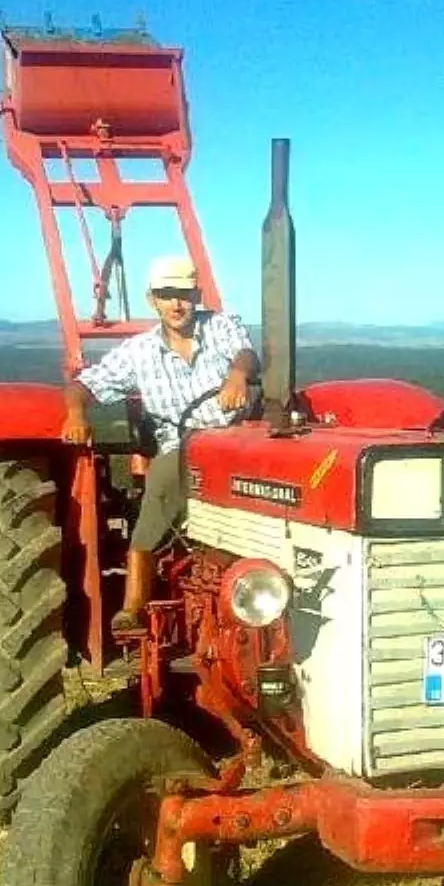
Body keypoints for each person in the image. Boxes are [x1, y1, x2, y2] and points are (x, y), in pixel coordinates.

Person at [61, 254, 259, 632]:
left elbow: (245, 353)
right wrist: (76, 413)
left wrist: (237, 374)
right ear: (153, 300)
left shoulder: (220, 326)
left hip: (240, 438)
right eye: (167, 295)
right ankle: (132, 605)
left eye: (183, 293)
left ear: (197, 295)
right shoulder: (138, 352)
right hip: (186, 448)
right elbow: (83, 385)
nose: (176, 303)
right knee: (163, 487)